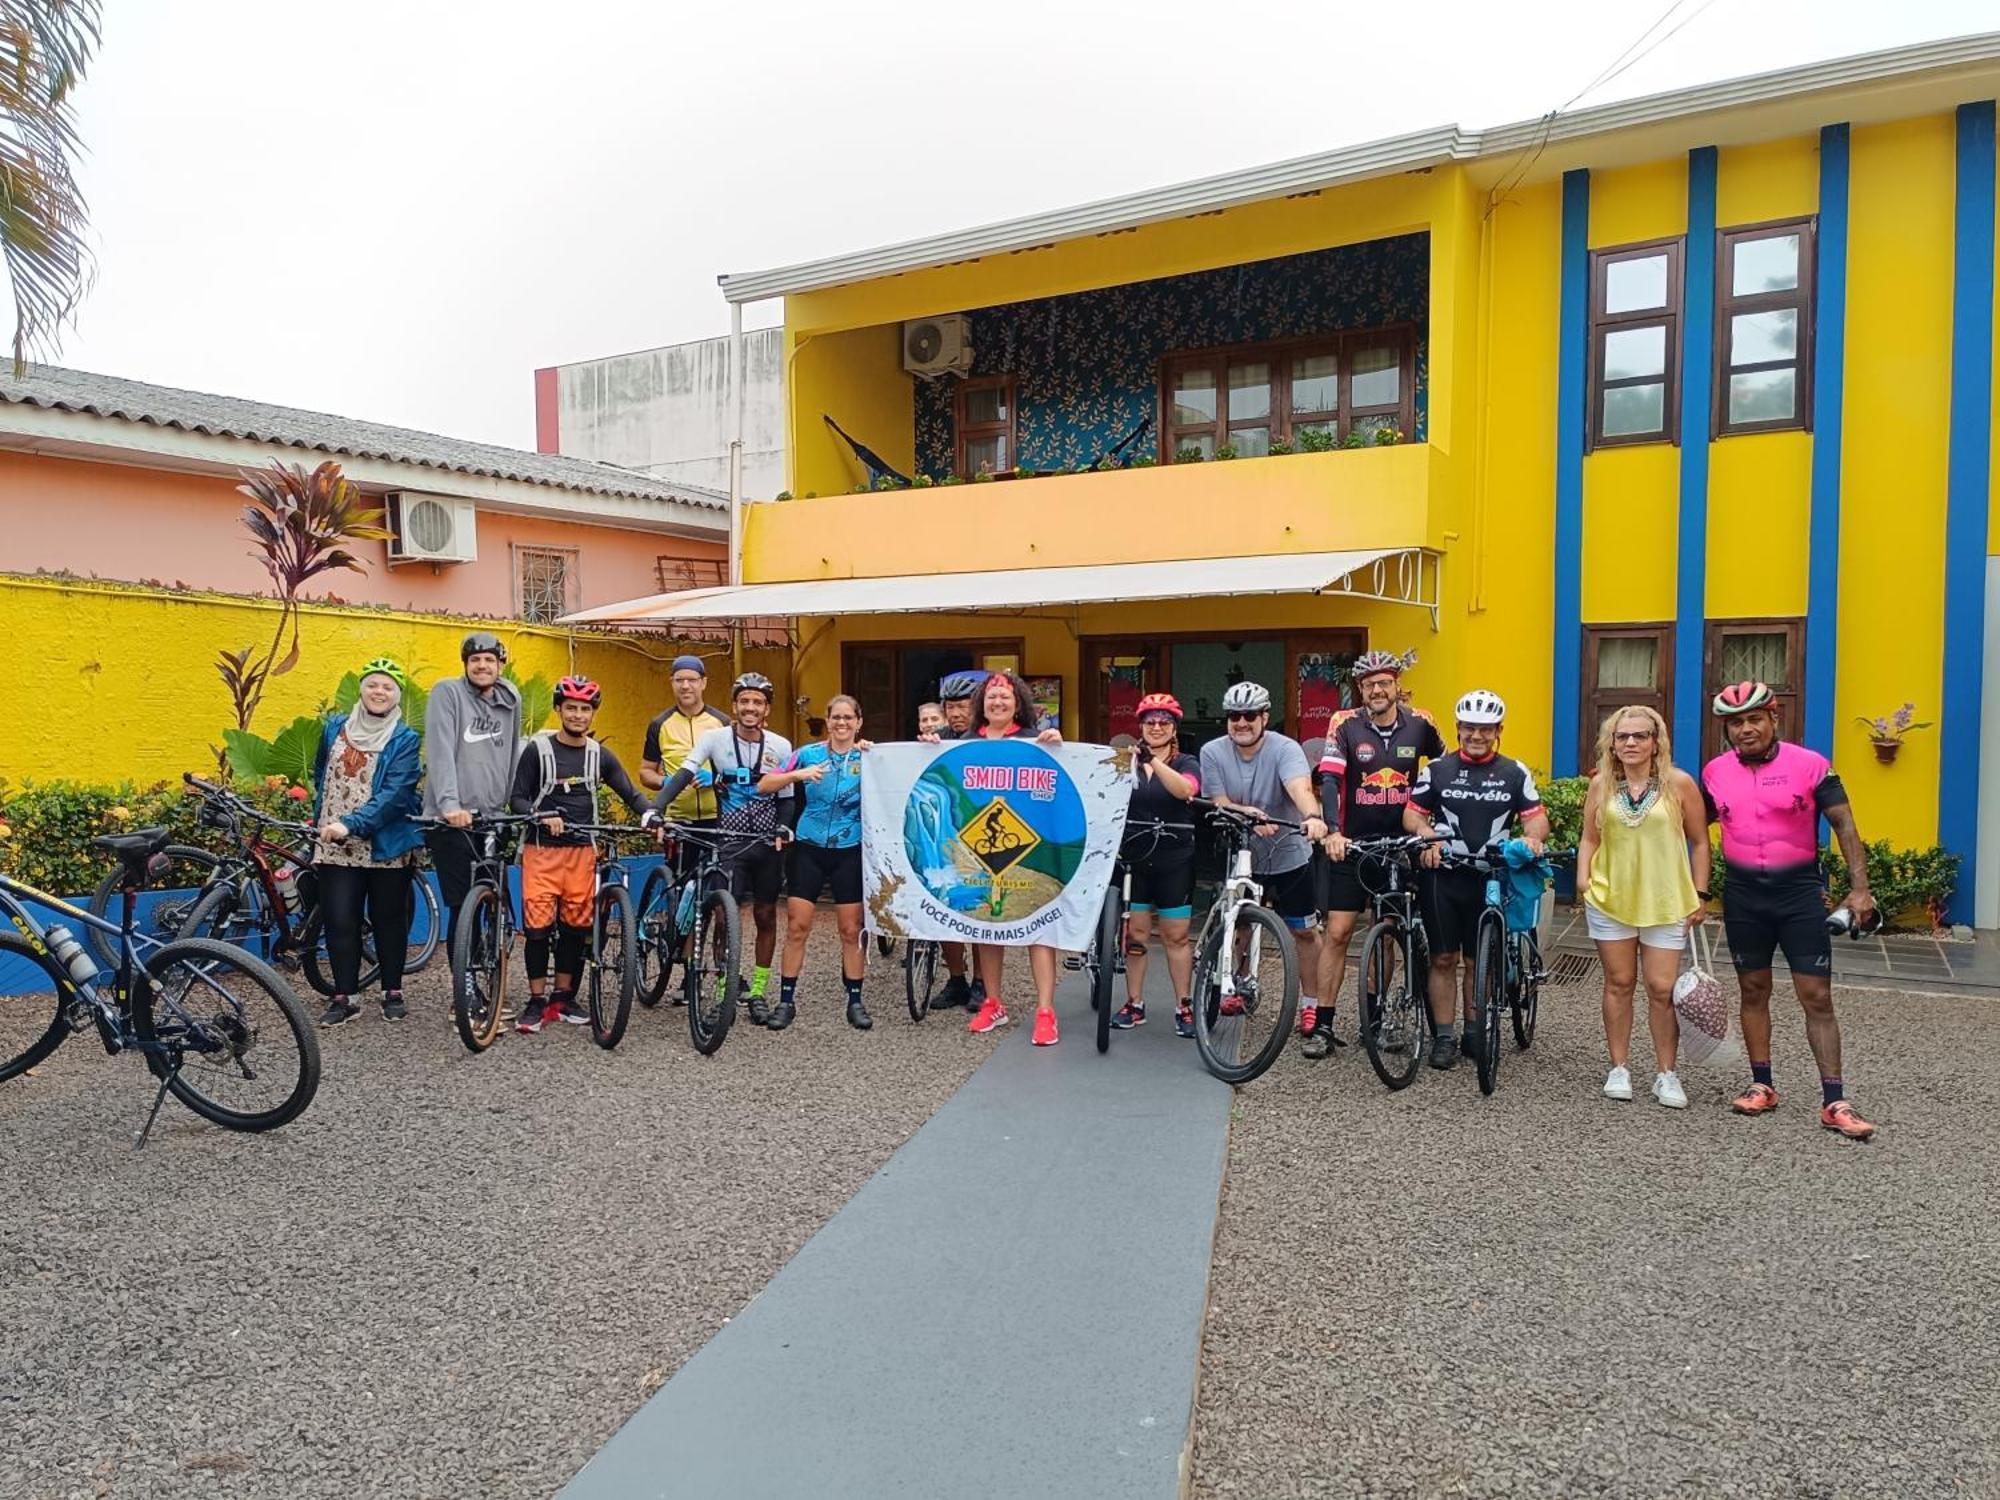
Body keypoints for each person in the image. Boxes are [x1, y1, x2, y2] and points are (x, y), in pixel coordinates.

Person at [1702, 681, 1878, 1140]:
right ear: (1727, 729)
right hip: (1743, 897)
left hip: (1799, 896)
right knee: (1753, 989)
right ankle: (1762, 1085)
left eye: (1754, 719)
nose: (1745, 729)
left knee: (1816, 997)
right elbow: (1689, 830)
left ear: (1774, 718)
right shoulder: (1714, 773)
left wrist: (1859, 891)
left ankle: (1834, 1100)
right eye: (1735, 723)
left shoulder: (1812, 765)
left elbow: (1845, 825)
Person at [1403, 689, 1550, 1070]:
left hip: (1492, 877)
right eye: (1469, 728)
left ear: (1498, 729)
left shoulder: (1515, 772)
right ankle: (1445, 1036)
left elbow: (1535, 817)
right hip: (1444, 875)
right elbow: (1413, 815)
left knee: (1477, 959)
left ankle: (1474, 1030)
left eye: (1485, 729)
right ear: (1458, 729)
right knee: (1443, 958)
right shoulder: (1436, 769)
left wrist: (1533, 837)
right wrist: (1425, 837)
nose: (1477, 736)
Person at [1574, 705, 1710, 1108]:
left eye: (1640, 736)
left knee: (1661, 989)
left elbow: (1701, 841)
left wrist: (1700, 893)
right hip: (1611, 898)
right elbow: (1589, 838)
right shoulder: (1601, 786)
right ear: (1612, 745)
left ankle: (1666, 1074)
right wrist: (1584, 880)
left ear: (1656, 742)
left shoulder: (1679, 784)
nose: (1631, 743)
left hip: (1665, 900)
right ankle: (1619, 1067)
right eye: (1622, 737)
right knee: (1618, 983)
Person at [1314, 649, 1445, 1059]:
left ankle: (1376, 1020)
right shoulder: (1344, 724)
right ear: (1361, 689)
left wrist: (1435, 829)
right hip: (1353, 844)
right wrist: (1333, 831)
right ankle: (1323, 1024)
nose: (1377, 689)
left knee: (1388, 934)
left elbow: (1444, 773)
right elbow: (1331, 780)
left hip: (1401, 846)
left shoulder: (1421, 723)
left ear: (1396, 686)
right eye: (1369, 684)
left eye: (1384, 682)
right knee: (1336, 933)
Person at [509, 675, 652, 1033]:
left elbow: (630, 793)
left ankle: (563, 997)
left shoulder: (599, 756)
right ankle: (536, 1000)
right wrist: (541, 816)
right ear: (559, 709)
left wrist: (651, 814)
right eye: (570, 707)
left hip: (582, 853)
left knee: (575, 929)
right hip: (542, 852)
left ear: (592, 714)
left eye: (584, 709)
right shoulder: (538, 752)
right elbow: (518, 798)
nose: (577, 715)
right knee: (538, 930)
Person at [650, 672, 795, 1023]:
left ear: (767, 710)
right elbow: (684, 773)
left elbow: (787, 797)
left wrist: (784, 827)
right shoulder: (714, 738)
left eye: (757, 702)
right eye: (744, 701)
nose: (750, 707)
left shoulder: (781, 745)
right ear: (734, 706)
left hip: (766, 843)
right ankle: (722, 993)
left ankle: (758, 991)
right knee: (722, 915)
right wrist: (657, 807)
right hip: (728, 841)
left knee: (764, 916)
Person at [938, 671, 1065, 1045]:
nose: (997, 702)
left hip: (1027, 841)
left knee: (1038, 926)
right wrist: (928, 747)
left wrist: (1058, 745)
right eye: (991, 697)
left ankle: (1045, 1010)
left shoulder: (1033, 740)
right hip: (981, 849)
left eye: (1005, 697)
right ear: (982, 703)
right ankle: (993, 1001)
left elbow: (1058, 778)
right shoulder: (963, 742)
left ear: (1017, 703)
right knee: (988, 924)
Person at [1198, 681, 1330, 1029]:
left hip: (1289, 851)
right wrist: (1247, 813)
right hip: (1242, 850)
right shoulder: (1212, 751)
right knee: (1240, 923)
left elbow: (1299, 788)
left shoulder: (1286, 749)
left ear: (1264, 717)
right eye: (1234, 716)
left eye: (1249, 715)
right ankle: (1237, 987)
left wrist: (1313, 817)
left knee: (1304, 932)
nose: (1241, 722)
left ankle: (1311, 1004)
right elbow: (1219, 801)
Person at [311, 658, 423, 1027]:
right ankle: (345, 996)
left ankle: (392, 989)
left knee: (388, 918)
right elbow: (321, 774)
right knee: (340, 920)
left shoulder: (405, 739)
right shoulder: (333, 728)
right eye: (373, 684)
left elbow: (396, 795)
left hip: (384, 842)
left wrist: (351, 823)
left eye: (387, 687)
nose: (379, 692)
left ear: (397, 696)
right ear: (361, 689)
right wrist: (328, 820)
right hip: (334, 842)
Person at [759, 695, 871, 1031]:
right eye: (836, 717)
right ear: (827, 719)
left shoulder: (868, 756)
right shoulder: (807, 754)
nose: (842, 723)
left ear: (858, 722)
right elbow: (765, 784)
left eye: (848, 718)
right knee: (797, 927)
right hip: (808, 848)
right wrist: (799, 775)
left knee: (851, 930)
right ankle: (786, 1002)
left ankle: (855, 1001)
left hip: (849, 850)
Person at [422, 631, 522, 953]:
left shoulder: (510, 700)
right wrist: (450, 805)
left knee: (489, 900)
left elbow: (512, 753)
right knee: (463, 907)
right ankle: (464, 992)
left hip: (492, 818)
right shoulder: (447, 692)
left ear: (500, 665)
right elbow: (440, 753)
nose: (482, 666)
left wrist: (511, 804)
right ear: (465, 664)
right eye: (475, 660)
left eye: (489, 660)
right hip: (452, 820)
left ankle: (492, 986)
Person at [1109, 693, 1201, 1037]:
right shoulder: (1125, 762)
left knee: (1176, 936)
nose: (1157, 727)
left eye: (1164, 722)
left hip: (1175, 859)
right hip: (1134, 858)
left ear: (1174, 728)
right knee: (1136, 936)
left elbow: (1184, 792)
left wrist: (1154, 762)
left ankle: (1184, 1004)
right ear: (1141, 726)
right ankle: (1135, 1003)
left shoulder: (1186, 762)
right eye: (1150, 722)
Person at [927, 668, 989, 1009]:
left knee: (978, 909)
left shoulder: (989, 739)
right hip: (945, 832)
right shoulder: (938, 738)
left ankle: (982, 981)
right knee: (944, 907)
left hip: (981, 833)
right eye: (950, 707)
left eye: (963, 706)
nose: (955, 713)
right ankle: (956, 979)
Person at [641, 653, 729, 864]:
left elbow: (739, 769)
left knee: (717, 881)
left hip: (718, 817)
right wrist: (665, 782)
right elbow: (645, 772)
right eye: (679, 680)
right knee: (678, 883)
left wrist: (716, 777)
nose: (686, 686)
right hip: (678, 819)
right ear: (672, 683)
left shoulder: (722, 722)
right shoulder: (659, 724)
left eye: (692, 680)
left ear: (704, 683)